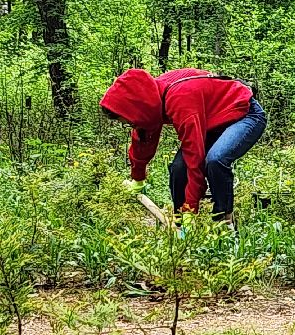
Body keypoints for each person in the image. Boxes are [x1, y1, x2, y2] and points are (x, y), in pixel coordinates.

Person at [99, 69, 266, 223]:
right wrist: (138, 178)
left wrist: (191, 207)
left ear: (135, 110)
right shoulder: (150, 99)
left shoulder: (179, 100)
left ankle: (224, 221)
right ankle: (180, 223)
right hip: (213, 121)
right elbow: (143, 138)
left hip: (244, 112)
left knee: (215, 159)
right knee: (178, 168)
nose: (131, 124)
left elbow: (194, 156)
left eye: (128, 121)